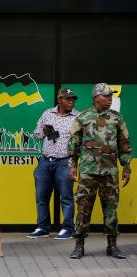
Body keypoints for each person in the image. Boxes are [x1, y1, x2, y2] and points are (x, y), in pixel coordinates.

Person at [68, 83, 131, 259]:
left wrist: (126, 167)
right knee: (83, 208)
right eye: (106, 95)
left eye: (111, 96)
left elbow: (124, 144)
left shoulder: (116, 118)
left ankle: (112, 245)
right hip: (88, 171)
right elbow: (74, 143)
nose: (110, 98)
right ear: (96, 97)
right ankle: (79, 245)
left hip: (110, 172)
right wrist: (72, 165)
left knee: (111, 209)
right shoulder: (83, 117)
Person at [28, 89, 79, 240]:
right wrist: (43, 130)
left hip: (65, 161)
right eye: (68, 99)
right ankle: (43, 227)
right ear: (60, 100)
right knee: (41, 196)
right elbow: (36, 134)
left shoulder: (77, 117)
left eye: (73, 99)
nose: (71, 102)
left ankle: (68, 228)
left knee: (66, 197)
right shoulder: (47, 114)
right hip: (45, 161)